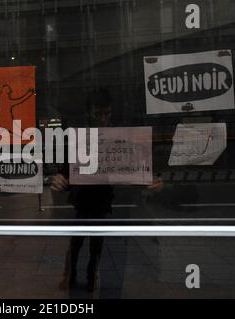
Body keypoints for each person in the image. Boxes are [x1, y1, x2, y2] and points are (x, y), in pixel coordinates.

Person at [51, 88, 163, 292]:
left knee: (102, 256)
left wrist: (152, 181)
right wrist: (61, 179)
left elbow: (137, 168)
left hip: (111, 206)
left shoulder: (119, 136)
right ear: (90, 113)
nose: (103, 118)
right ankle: (77, 282)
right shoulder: (82, 138)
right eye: (98, 113)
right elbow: (66, 173)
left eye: (106, 113)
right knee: (80, 249)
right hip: (87, 204)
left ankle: (88, 281)